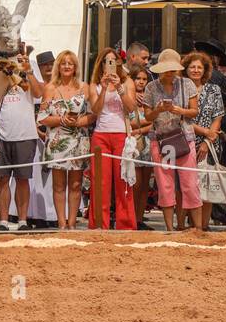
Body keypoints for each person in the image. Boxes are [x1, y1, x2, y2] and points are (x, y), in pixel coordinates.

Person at [143, 49, 201, 231]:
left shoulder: (187, 84)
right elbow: (148, 117)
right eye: (166, 69)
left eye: (172, 69)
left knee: (190, 184)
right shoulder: (151, 88)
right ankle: (169, 228)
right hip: (160, 139)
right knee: (165, 184)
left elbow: (194, 111)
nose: (169, 73)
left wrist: (178, 110)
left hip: (184, 136)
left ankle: (197, 228)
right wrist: (159, 110)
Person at [0, 45, 47, 231]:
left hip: (25, 133)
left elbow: (39, 93)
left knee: (23, 179)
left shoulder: (29, 65)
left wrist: (27, 70)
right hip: (1, 131)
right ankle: (3, 221)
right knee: (2, 178)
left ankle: (23, 220)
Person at [86, 47, 136, 230]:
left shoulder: (127, 82)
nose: (110, 65)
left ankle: (126, 224)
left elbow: (132, 108)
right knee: (100, 182)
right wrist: (104, 88)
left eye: (113, 61)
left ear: (118, 63)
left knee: (123, 181)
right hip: (101, 135)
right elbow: (96, 110)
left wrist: (120, 89)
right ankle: (99, 223)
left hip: (121, 134)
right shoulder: (94, 85)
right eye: (107, 61)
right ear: (101, 64)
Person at [38, 51, 89, 229]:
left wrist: (78, 122)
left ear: (75, 67)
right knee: (58, 185)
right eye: (63, 63)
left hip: (78, 141)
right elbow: (42, 118)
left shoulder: (84, 87)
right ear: (58, 67)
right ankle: (61, 224)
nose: (67, 66)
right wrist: (61, 120)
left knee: (76, 184)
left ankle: (72, 224)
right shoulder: (50, 88)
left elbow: (92, 116)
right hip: (56, 141)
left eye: (70, 63)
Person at [184, 51, 225, 232]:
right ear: (186, 69)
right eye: (192, 66)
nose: (195, 70)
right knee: (190, 185)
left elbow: (218, 116)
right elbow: (183, 120)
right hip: (186, 141)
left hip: (209, 144)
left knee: (207, 186)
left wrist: (207, 140)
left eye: (199, 67)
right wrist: (205, 132)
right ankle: (192, 225)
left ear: (205, 70)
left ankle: (204, 226)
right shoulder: (181, 89)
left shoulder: (214, 89)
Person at [127, 66, 154, 228]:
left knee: (145, 184)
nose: (141, 82)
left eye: (144, 79)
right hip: (133, 144)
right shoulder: (128, 97)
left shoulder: (150, 98)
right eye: (138, 79)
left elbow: (155, 121)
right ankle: (130, 217)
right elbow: (127, 122)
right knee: (134, 183)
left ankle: (139, 218)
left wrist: (140, 128)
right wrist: (145, 124)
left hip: (148, 143)